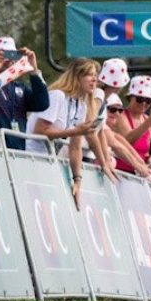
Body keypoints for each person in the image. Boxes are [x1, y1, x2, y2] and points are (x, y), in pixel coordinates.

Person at [25, 58, 102, 208]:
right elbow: (40, 131)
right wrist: (75, 131)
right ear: (76, 77)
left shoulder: (81, 106)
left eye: (95, 76)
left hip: (48, 161)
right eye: (89, 75)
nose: (94, 79)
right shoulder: (57, 96)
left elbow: (75, 148)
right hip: (30, 157)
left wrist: (77, 180)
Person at [0, 36, 49, 149]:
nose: (11, 60)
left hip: (17, 154)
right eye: (6, 55)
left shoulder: (19, 87)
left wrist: (34, 70)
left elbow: (43, 103)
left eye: (13, 55)